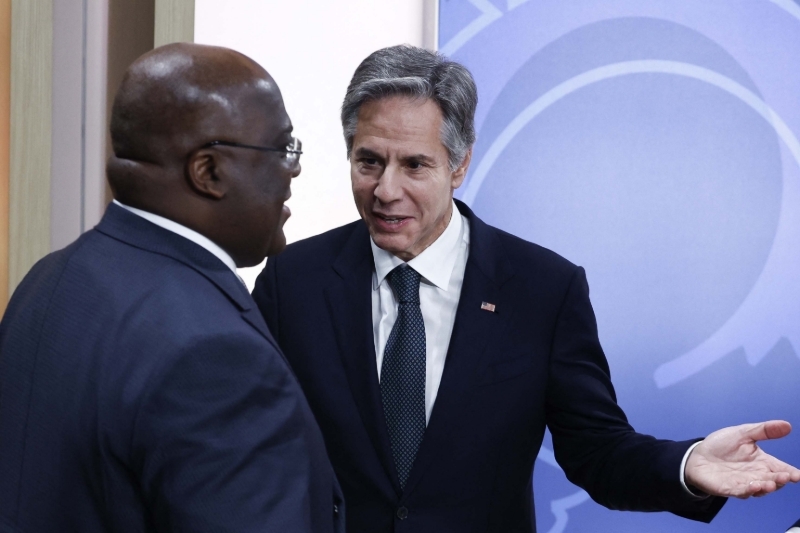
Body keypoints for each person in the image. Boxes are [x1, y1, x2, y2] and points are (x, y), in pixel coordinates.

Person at [252, 44, 799, 533]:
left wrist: (688, 465)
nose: (385, 190)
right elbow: (256, 452)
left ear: (459, 164)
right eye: (369, 162)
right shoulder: (291, 282)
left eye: (415, 165)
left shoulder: (543, 289)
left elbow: (597, 452)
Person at [0, 43, 343, 533]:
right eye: (282, 147)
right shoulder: (216, 358)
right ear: (208, 172)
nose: (294, 169)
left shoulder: (50, 279)